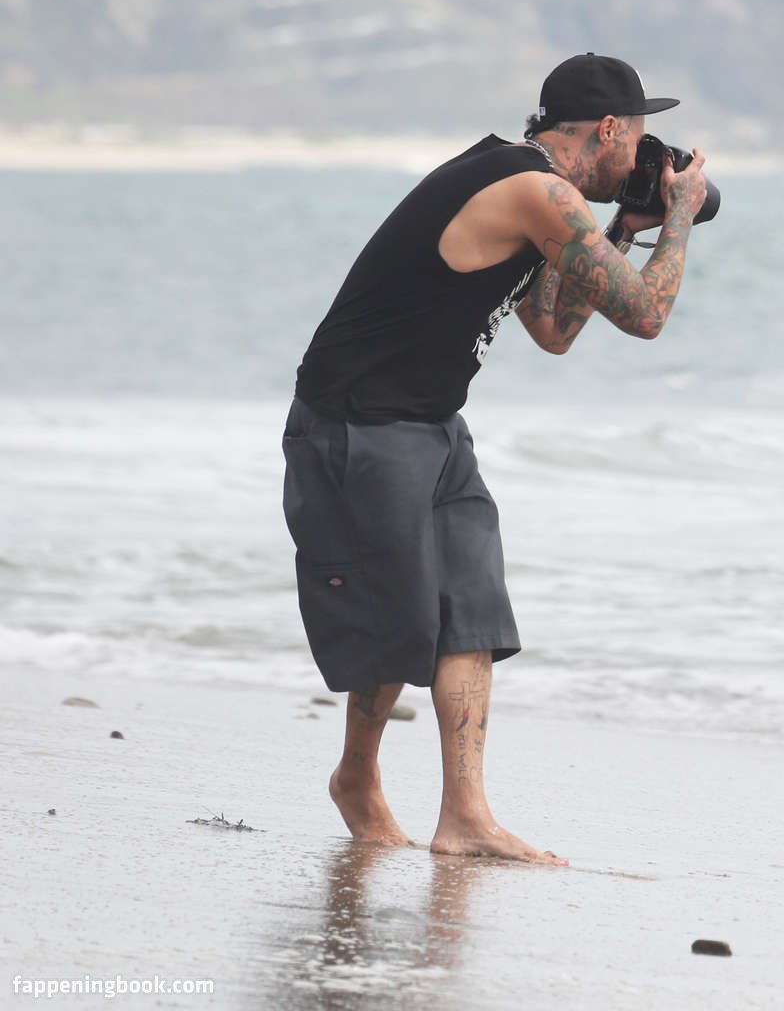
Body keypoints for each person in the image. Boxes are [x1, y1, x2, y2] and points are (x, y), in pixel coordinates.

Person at [282, 53, 710, 864]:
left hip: (432, 422)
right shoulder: (532, 190)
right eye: (638, 139)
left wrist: (625, 229)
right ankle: (357, 777)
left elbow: (553, 329)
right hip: (358, 424)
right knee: (399, 619)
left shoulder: (537, 190)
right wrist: (680, 214)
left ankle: (466, 815)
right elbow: (646, 314)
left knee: (471, 612)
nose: (644, 159)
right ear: (609, 129)